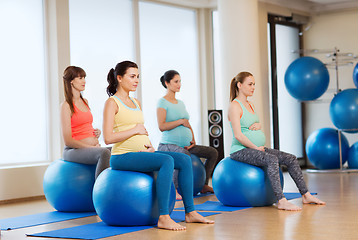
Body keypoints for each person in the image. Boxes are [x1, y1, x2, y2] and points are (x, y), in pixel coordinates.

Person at [102, 61, 214, 231]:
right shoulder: (112, 103)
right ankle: (163, 217)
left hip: (141, 152)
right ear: (119, 78)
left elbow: (142, 131)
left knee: (184, 159)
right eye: (132, 76)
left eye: (138, 76)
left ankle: (190, 212)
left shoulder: (136, 102)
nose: (136, 80)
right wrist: (134, 130)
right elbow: (108, 138)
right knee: (167, 161)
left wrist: (150, 147)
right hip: (121, 156)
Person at [228, 71, 326, 211]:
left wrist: (259, 126)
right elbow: (238, 135)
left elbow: (252, 124)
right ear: (239, 85)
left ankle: (306, 195)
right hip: (240, 150)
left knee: (290, 158)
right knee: (272, 160)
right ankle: (281, 200)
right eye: (250, 84)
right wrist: (255, 148)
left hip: (257, 147)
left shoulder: (251, 105)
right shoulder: (234, 106)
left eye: (254, 84)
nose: (253, 87)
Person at [157, 70, 218, 199]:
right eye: (176, 81)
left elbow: (187, 124)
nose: (179, 84)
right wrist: (179, 121)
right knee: (183, 155)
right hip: (168, 145)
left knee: (212, 152)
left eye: (180, 81)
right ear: (167, 83)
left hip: (186, 145)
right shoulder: (162, 102)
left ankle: (203, 184)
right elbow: (161, 126)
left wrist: (193, 140)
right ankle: (173, 189)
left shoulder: (181, 103)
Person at [60, 66, 110, 179]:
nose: (84, 81)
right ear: (71, 81)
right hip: (72, 150)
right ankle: (99, 191)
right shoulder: (66, 106)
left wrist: (96, 133)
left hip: (91, 147)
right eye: (80, 78)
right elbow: (68, 140)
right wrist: (90, 147)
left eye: (84, 78)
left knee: (116, 151)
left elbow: (84, 126)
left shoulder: (85, 101)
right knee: (104, 153)